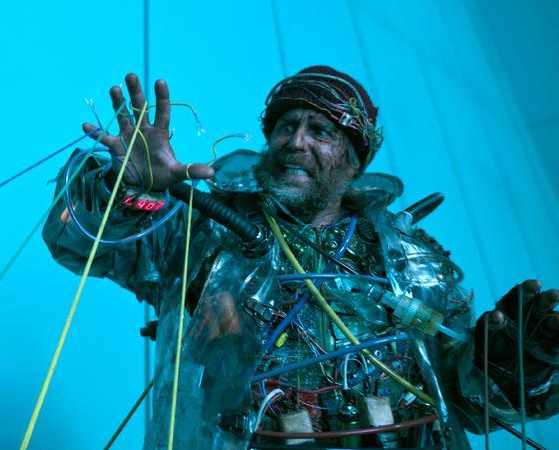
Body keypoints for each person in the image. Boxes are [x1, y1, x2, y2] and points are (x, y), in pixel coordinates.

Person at [42, 67, 559, 449]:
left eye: (321, 131)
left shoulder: (412, 260)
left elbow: (468, 403)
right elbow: (78, 241)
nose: (296, 141)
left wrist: (517, 362)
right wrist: (125, 190)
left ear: (354, 159)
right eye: (286, 126)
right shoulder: (205, 230)